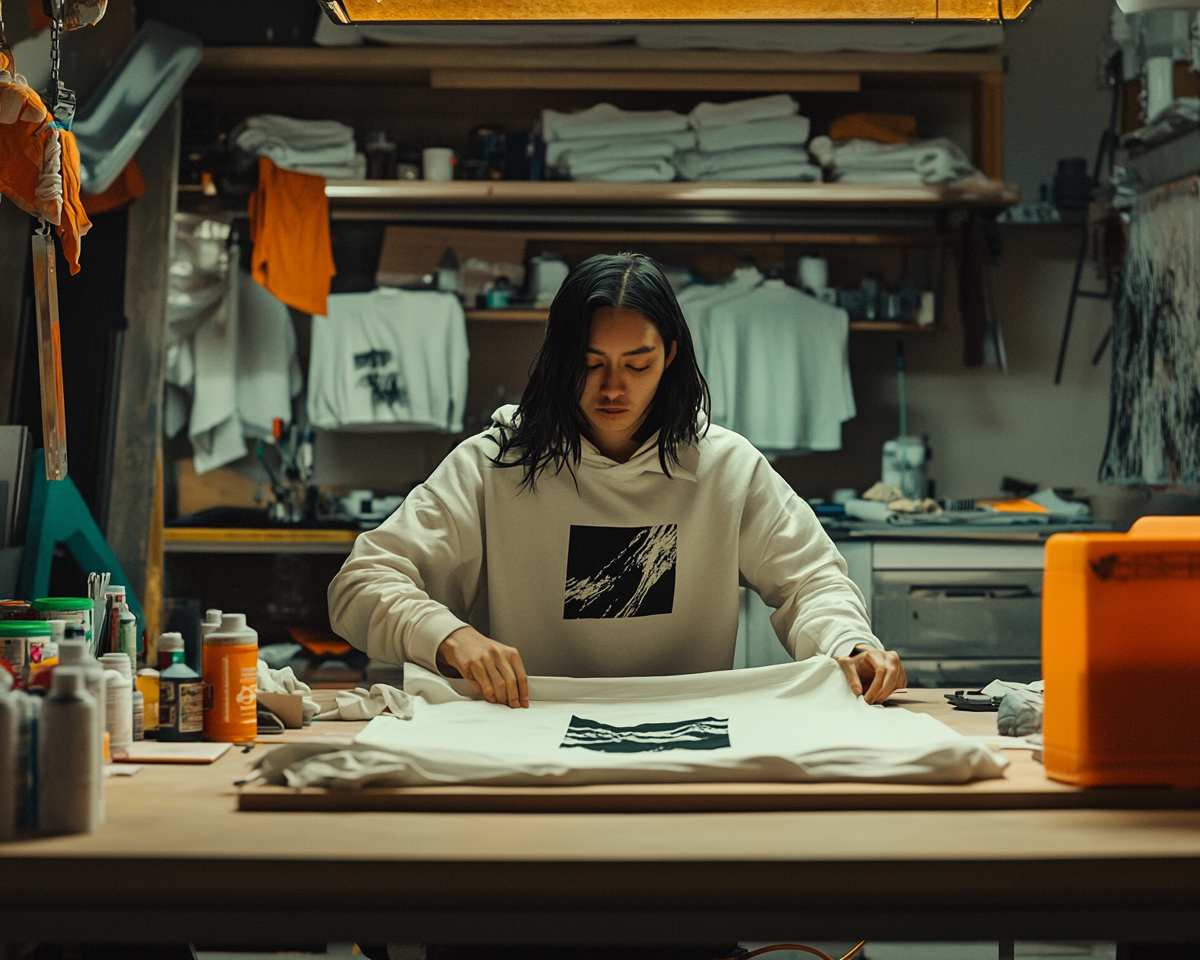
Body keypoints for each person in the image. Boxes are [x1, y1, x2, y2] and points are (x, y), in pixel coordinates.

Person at [328, 252, 905, 709]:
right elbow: (360, 584)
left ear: (670, 356)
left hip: (687, 732)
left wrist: (849, 645)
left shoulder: (727, 468)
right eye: (591, 362)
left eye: (637, 364)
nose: (612, 389)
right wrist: (446, 636)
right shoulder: (492, 466)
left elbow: (811, 584)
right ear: (560, 359)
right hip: (523, 729)